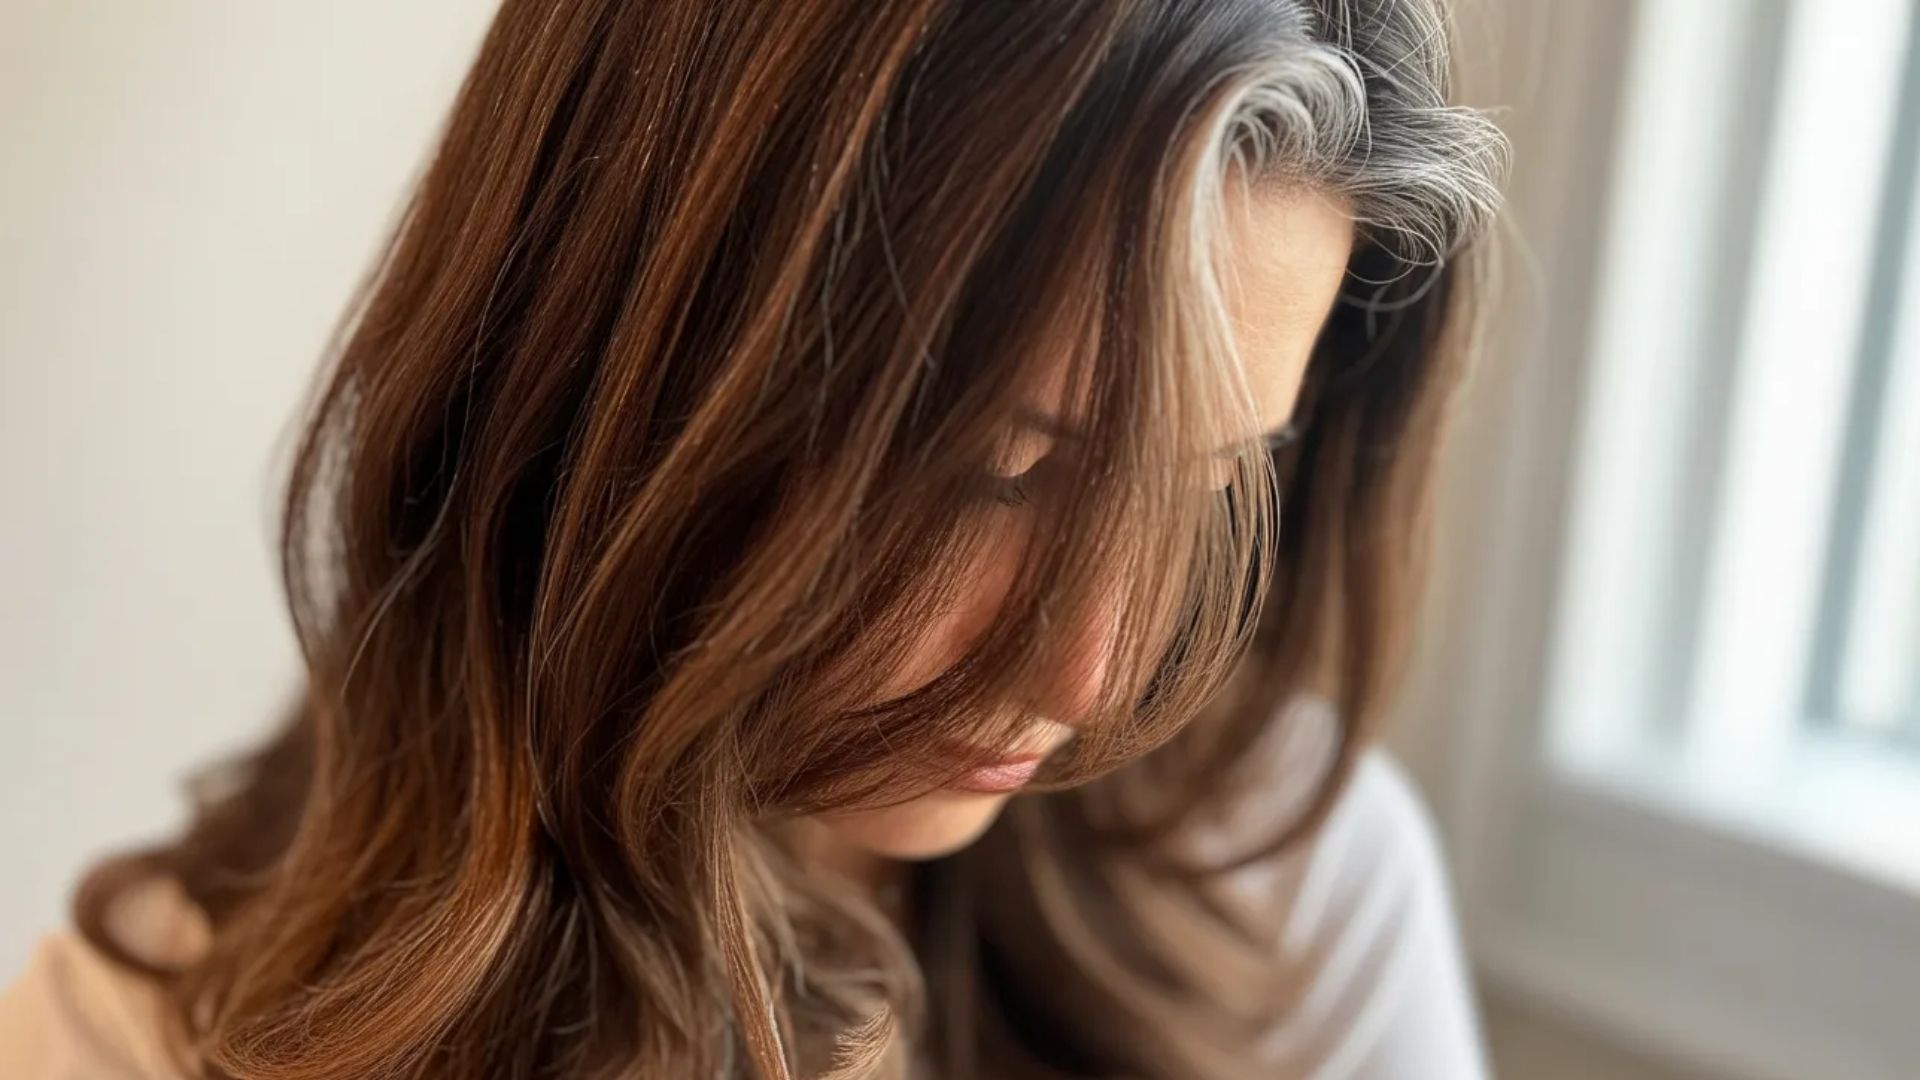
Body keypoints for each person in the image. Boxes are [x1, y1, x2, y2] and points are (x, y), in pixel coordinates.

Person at [0, 0, 1507, 1077]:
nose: (1093, 675)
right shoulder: (133, 1037)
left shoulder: (1283, 881)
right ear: (617, 380)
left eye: (1203, 490)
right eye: (996, 470)